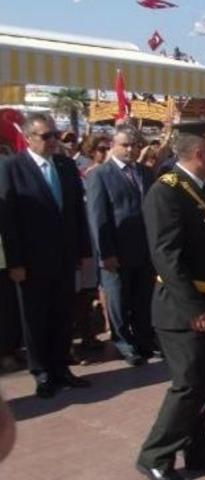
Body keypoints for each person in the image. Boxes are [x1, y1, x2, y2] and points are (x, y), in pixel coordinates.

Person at [137, 120, 205, 480]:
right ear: (201, 152)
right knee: (188, 383)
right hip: (182, 307)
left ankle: (199, 450)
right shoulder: (166, 191)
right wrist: (195, 308)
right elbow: (167, 258)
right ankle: (155, 455)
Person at [0, 112, 92, 399]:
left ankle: (61, 367)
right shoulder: (12, 167)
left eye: (55, 134)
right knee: (35, 317)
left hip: (64, 258)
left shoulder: (65, 166)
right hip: (30, 261)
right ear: (28, 138)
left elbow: (77, 212)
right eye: (46, 136)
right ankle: (42, 373)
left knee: (62, 314)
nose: (53, 141)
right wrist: (15, 261)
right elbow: (8, 218)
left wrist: (83, 251)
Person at [85, 124, 157, 365]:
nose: (130, 149)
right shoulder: (99, 174)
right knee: (118, 300)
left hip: (144, 250)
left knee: (142, 299)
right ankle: (124, 343)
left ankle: (145, 341)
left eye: (135, 145)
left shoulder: (146, 173)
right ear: (113, 146)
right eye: (125, 145)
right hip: (116, 252)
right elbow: (97, 217)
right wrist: (106, 253)